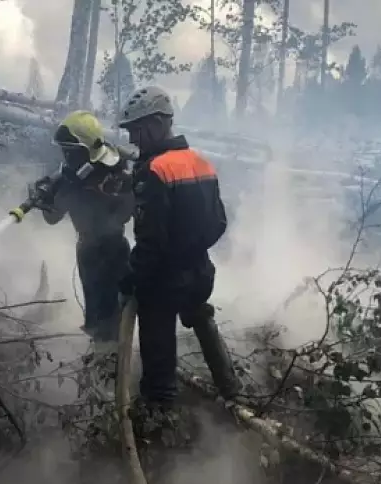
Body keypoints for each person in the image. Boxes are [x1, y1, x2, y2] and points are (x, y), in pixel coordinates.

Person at [116, 85, 241, 412]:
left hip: (164, 280)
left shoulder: (153, 170)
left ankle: (160, 418)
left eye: (136, 131)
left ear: (157, 125)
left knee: (158, 350)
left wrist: (132, 277)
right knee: (199, 314)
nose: (132, 140)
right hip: (200, 272)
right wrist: (190, 251)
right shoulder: (200, 162)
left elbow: (151, 239)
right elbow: (219, 223)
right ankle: (233, 391)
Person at [28, 111, 135, 351]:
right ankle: (100, 356)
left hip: (113, 251)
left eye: (70, 151)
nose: (66, 157)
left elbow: (127, 211)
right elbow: (53, 218)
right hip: (87, 251)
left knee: (114, 317)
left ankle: (115, 364)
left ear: (85, 149)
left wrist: (102, 192)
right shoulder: (68, 178)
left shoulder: (116, 171)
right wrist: (45, 198)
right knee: (96, 318)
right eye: (64, 151)